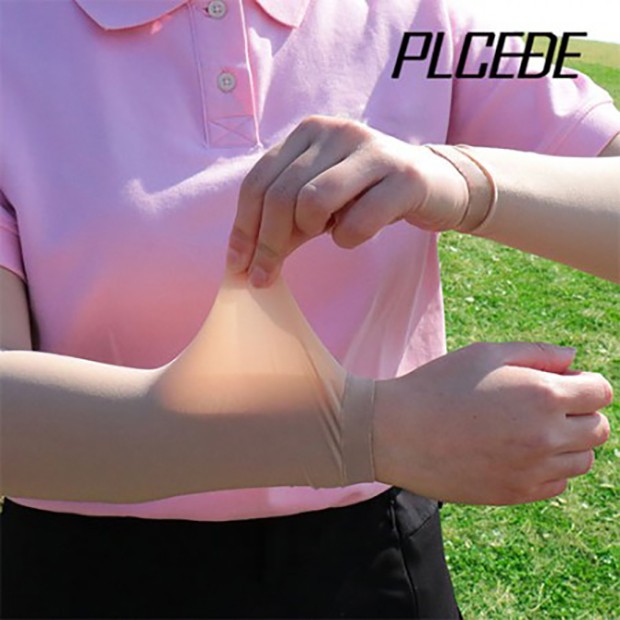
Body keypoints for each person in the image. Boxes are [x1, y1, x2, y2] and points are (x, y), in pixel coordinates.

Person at [0, 0, 618, 617]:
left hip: (372, 558)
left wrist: (464, 180)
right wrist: (367, 432)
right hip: (79, 569)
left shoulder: (425, 17)